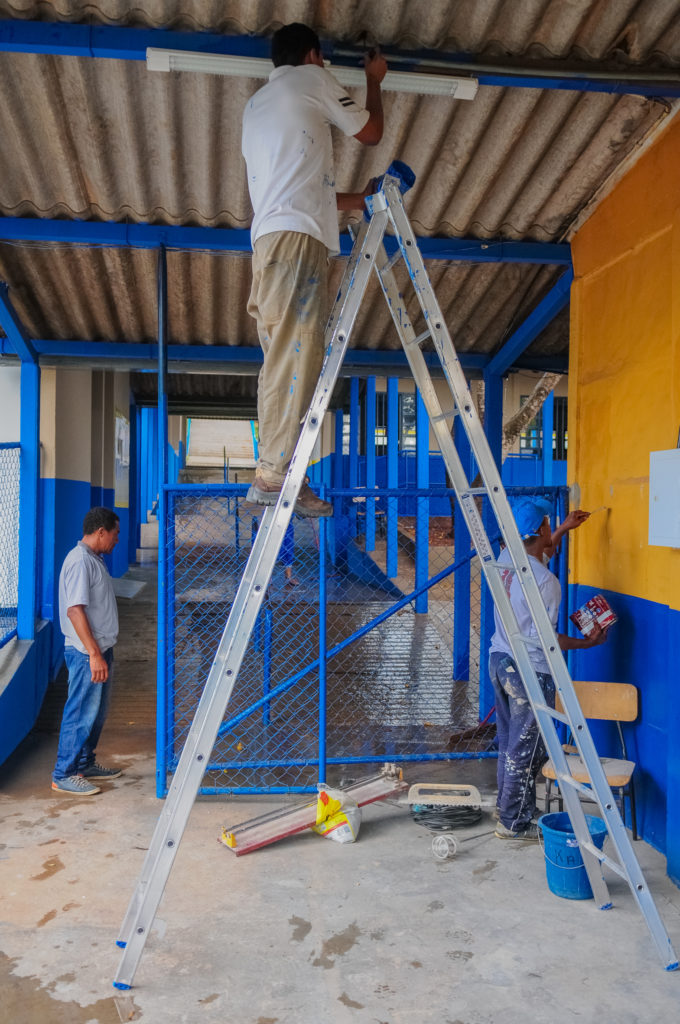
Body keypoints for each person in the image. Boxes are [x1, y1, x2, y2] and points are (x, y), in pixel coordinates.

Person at [242, 22, 387, 517]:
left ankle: (279, 472)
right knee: (298, 356)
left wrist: (359, 199)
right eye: (322, 59)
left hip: (269, 245)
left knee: (280, 361)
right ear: (312, 55)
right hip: (297, 243)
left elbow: (305, 190)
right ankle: (274, 476)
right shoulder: (310, 79)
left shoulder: (257, 107)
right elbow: (371, 133)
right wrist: (374, 80)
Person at [489, 498, 607, 841]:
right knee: (525, 750)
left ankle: (509, 809)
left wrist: (563, 529)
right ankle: (513, 824)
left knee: (510, 744)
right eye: (547, 524)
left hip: (501, 661)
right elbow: (547, 640)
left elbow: (535, 551)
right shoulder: (546, 582)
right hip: (529, 670)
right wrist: (588, 643)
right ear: (541, 530)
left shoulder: (504, 560)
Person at [51, 507, 123, 796]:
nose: (117, 540)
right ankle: (63, 774)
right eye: (115, 534)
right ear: (101, 532)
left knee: (96, 714)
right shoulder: (80, 561)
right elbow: (75, 611)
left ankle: (84, 764)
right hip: (86, 654)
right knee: (80, 713)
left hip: (100, 650)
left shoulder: (93, 559)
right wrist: (94, 654)